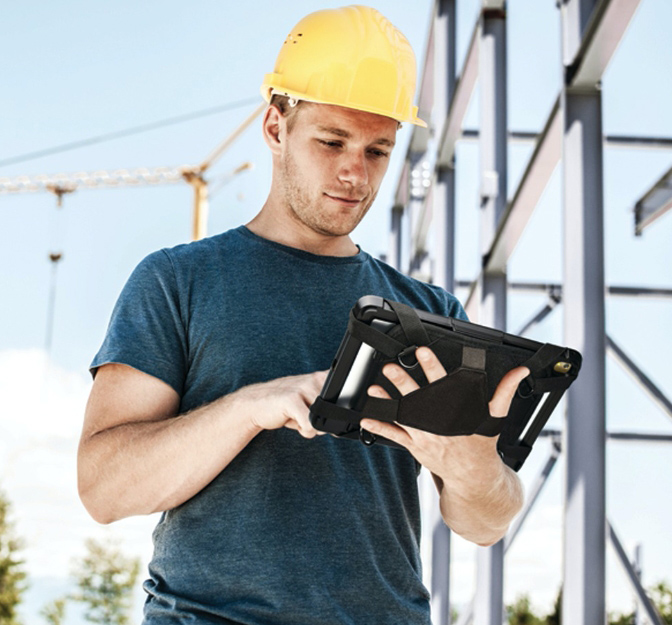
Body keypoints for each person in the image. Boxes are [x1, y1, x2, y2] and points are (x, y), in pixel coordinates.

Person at [77, 6, 528, 624]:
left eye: (378, 151)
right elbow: (103, 489)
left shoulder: (430, 315)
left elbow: (486, 524)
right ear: (274, 127)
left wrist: (475, 470)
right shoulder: (176, 281)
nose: (355, 173)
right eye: (332, 141)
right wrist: (248, 408)